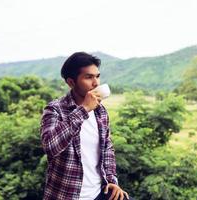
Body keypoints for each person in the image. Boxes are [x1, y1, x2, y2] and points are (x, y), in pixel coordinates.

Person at [40, 52, 133, 200]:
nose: (96, 83)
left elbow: (107, 148)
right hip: (66, 195)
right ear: (71, 82)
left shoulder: (101, 111)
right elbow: (50, 146)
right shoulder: (54, 109)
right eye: (89, 77)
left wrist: (111, 179)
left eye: (97, 76)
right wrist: (83, 109)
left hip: (99, 193)